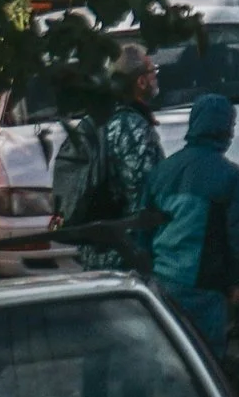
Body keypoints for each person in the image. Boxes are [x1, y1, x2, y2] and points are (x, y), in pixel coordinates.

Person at [143, 90, 239, 365]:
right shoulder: (231, 177)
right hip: (205, 287)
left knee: (169, 357)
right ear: (226, 130)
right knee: (206, 360)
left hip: (162, 282)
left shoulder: (162, 172)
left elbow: (142, 230)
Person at [50, 41, 161, 269]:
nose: (155, 77)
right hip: (123, 251)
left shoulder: (96, 120)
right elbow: (144, 189)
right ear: (140, 81)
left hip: (94, 246)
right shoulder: (130, 126)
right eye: (152, 72)